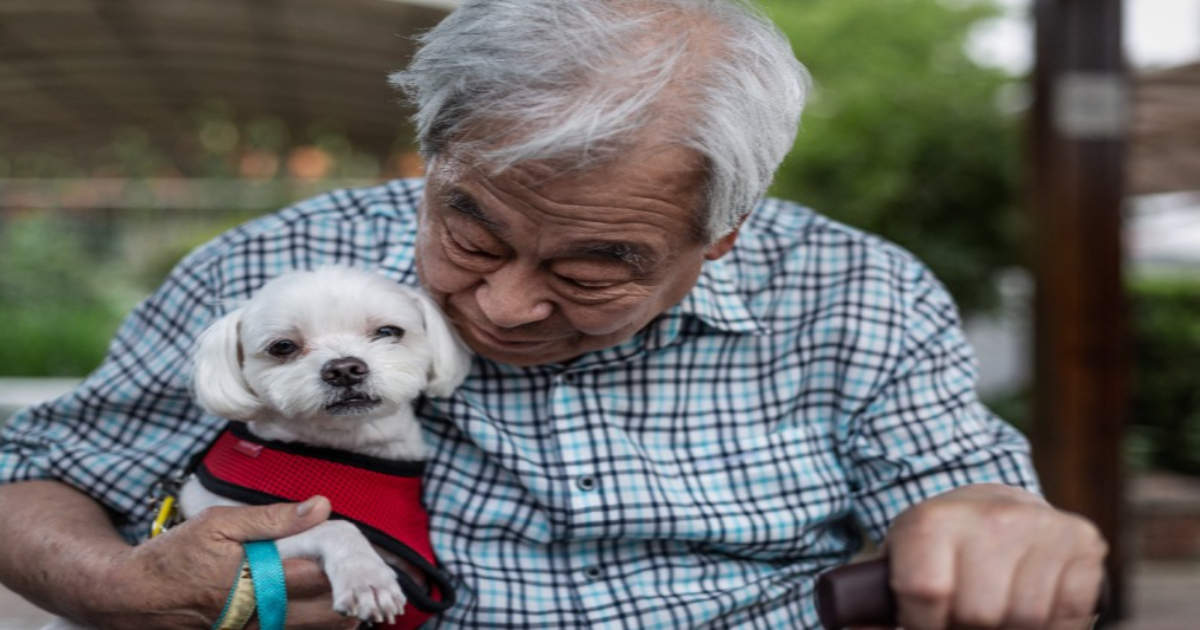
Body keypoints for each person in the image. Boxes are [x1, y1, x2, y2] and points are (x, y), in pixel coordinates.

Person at [0, 0, 1106, 628]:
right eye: (471, 231)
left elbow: (969, 502)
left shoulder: (858, 292)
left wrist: (1000, 532)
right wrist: (119, 585)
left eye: (597, 266)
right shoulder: (270, 269)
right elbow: (32, 474)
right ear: (434, 162)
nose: (507, 303)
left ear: (724, 233)